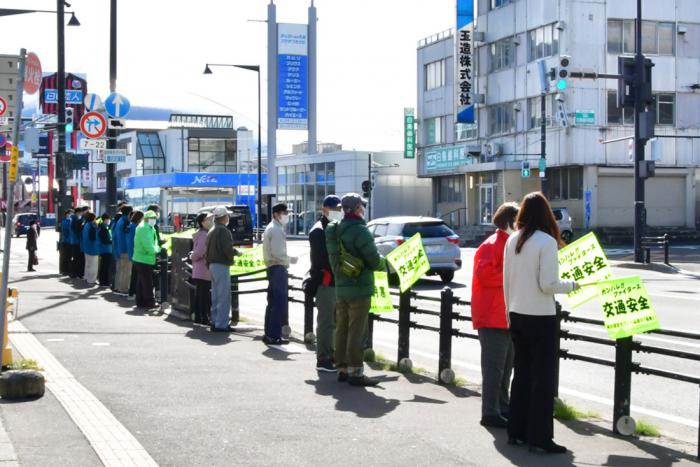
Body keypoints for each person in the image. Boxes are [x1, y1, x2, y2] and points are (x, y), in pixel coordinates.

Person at [503, 192, 580, 454]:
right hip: (541, 317)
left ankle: (517, 431)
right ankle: (540, 437)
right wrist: (572, 285)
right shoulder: (546, 242)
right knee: (543, 379)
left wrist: (508, 312)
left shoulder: (512, 239)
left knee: (521, 374)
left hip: (516, 314)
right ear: (547, 214)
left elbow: (506, 282)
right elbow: (548, 285)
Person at [325, 193, 386, 386]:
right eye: (362, 206)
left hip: (341, 286)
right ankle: (356, 372)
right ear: (357, 208)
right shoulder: (360, 231)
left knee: (341, 328)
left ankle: (342, 368)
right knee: (356, 331)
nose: (363, 209)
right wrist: (386, 263)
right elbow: (375, 261)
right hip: (359, 287)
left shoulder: (334, 229)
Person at [471, 202, 519, 429]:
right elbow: (485, 276)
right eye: (518, 221)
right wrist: (513, 272)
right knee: (494, 369)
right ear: (509, 222)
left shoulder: (507, 243)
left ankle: (503, 407)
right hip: (493, 317)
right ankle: (490, 412)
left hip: (504, 315)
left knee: (505, 367)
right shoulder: (493, 245)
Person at [308, 195, 342, 372]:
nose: (338, 212)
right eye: (335, 209)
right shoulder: (319, 230)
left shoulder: (333, 227)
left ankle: (333, 354)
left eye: (340, 209)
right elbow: (322, 260)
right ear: (325, 209)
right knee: (327, 322)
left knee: (335, 322)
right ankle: (323, 358)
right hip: (325, 281)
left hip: (335, 281)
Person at [262, 203, 298, 345]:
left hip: (272, 268)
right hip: (278, 268)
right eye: (284, 212)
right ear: (276, 214)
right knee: (279, 303)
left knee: (272, 302)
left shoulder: (271, 228)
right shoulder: (276, 230)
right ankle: (274, 334)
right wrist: (290, 259)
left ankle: (269, 333)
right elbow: (277, 253)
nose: (286, 215)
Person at [205, 206, 239, 332]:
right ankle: (222, 324)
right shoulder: (223, 231)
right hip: (221, 265)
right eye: (227, 215)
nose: (228, 217)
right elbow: (227, 249)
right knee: (224, 296)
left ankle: (215, 321)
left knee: (215, 295)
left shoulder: (212, 230)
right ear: (224, 217)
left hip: (212, 265)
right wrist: (234, 254)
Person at [132, 210, 161, 309]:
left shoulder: (146, 227)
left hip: (140, 258)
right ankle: (150, 302)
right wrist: (157, 250)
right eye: (152, 218)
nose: (154, 220)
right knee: (148, 283)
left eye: (154, 218)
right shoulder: (145, 228)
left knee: (141, 282)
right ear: (146, 219)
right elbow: (148, 245)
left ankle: (140, 302)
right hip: (144, 259)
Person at [190, 213, 212, 325]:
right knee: (203, 296)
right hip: (204, 269)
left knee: (200, 295)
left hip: (199, 269)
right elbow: (199, 252)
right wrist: (192, 256)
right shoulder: (204, 235)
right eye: (208, 219)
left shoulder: (201, 234)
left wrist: (192, 256)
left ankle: (198, 318)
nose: (211, 221)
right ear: (202, 222)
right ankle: (204, 318)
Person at [113, 204, 133, 295]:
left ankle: (117, 287)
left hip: (119, 248)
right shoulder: (126, 221)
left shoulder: (120, 220)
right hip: (126, 249)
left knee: (120, 269)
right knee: (126, 270)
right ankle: (124, 289)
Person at [126, 211, 144, 300]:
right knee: (135, 275)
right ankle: (133, 293)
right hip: (136, 253)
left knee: (134, 274)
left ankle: (131, 293)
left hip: (131, 252)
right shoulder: (136, 227)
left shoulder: (130, 226)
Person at [81, 212, 99, 285]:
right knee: (93, 265)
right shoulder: (93, 225)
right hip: (93, 248)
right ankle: (91, 280)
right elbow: (93, 237)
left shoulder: (86, 225)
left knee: (88, 264)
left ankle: (87, 277)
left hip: (86, 247)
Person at [97, 213, 113, 287]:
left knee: (103, 266)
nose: (109, 221)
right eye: (108, 219)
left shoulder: (102, 227)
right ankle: (104, 282)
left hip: (103, 249)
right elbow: (105, 240)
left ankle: (103, 281)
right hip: (106, 249)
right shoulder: (103, 228)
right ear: (105, 219)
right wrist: (112, 241)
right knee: (105, 267)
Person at [71, 207, 87, 279]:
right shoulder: (76, 220)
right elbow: (76, 231)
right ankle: (76, 274)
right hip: (77, 242)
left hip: (75, 241)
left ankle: (75, 273)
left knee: (76, 258)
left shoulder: (73, 219)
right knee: (78, 258)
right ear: (78, 212)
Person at [59, 209, 73, 275]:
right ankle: (67, 270)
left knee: (66, 256)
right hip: (68, 241)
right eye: (71, 213)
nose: (71, 215)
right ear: (67, 214)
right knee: (68, 257)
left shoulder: (65, 221)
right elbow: (66, 231)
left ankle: (65, 270)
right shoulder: (68, 221)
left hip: (66, 241)